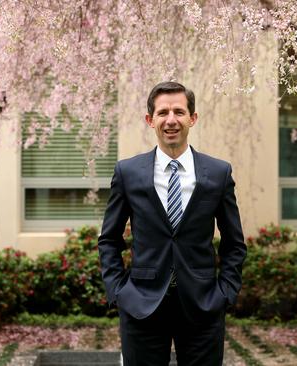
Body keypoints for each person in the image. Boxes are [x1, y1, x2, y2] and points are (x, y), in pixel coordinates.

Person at [98, 81, 247, 366]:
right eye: (162, 112)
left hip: (203, 305)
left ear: (193, 118)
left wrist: (225, 293)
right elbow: (108, 239)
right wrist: (118, 292)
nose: (171, 120)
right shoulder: (127, 173)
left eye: (179, 112)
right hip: (141, 304)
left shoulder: (218, 173)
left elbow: (234, 243)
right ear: (149, 120)